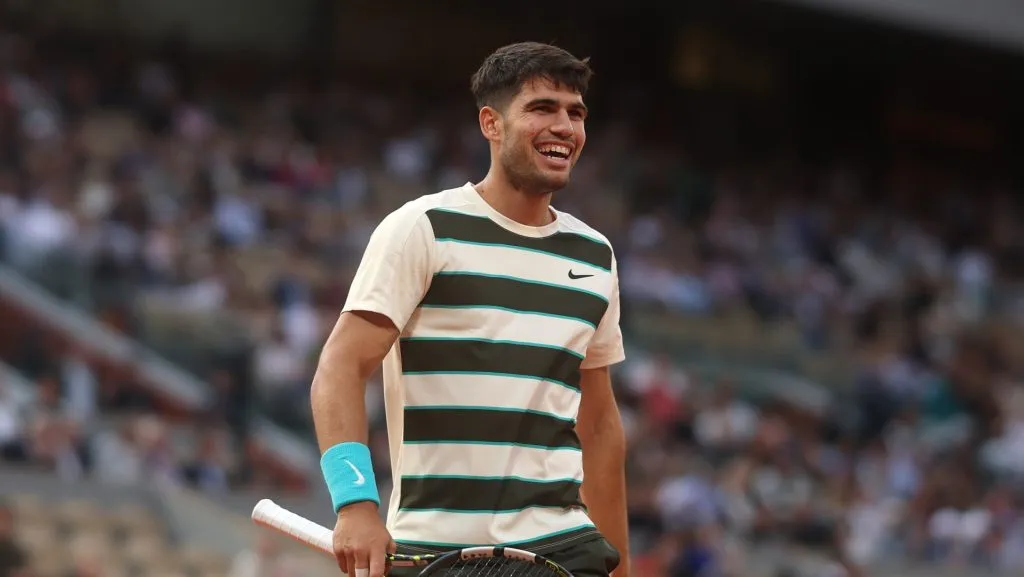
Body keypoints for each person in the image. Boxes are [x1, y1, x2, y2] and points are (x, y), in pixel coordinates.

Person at [311, 41, 629, 577]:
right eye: (542, 108)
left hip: (564, 546)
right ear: (491, 123)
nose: (564, 127)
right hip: (438, 551)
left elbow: (598, 424)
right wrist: (355, 504)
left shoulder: (595, 255)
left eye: (575, 113)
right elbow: (340, 367)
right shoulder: (423, 228)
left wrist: (620, 567)